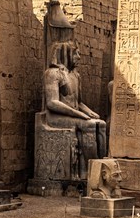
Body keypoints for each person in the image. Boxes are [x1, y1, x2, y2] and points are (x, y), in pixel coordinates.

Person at [44, 41, 106, 179]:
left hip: (73, 115)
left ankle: (101, 166)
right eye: (75, 53)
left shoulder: (75, 76)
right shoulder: (53, 73)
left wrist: (88, 111)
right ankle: (90, 172)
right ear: (65, 55)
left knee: (100, 124)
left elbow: (78, 102)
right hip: (55, 117)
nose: (78, 57)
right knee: (88, 125)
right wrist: (78, 114)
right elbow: (52, 103)